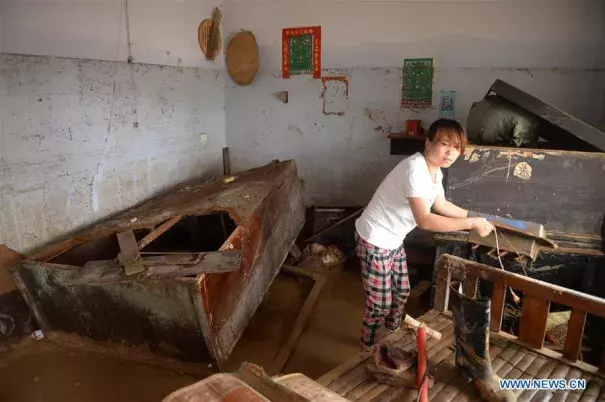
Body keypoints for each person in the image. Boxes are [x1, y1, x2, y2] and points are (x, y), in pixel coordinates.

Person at [354, 118, 494, 348]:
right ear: (428, 144)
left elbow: (441, 205)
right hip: (374, 239)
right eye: (445, 144)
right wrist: (471, 224)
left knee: (401, 294)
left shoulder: (435, 171)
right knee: (379, 304)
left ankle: (390, 336)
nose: (450, 153)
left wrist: (476, 217)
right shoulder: (414, 168)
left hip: (393, 239)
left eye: (456, 148)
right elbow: (425, 220)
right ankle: (367, 347)